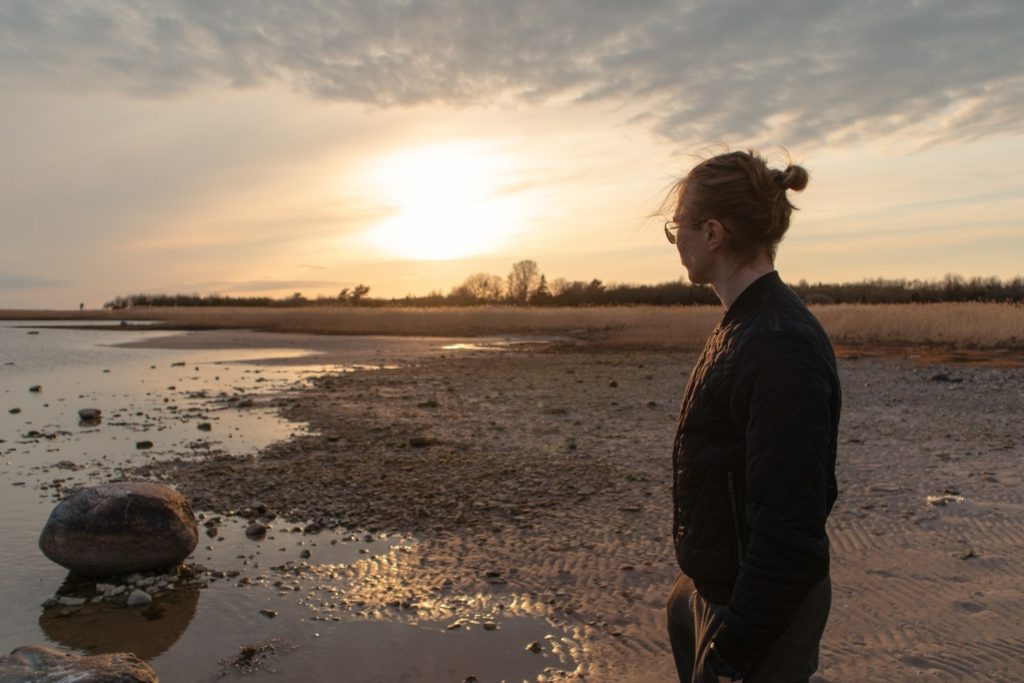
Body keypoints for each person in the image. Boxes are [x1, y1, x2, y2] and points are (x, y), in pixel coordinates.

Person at [663, 150, 841, 682]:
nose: (677, 243)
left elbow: (791, 530)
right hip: (715, 593)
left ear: (713, 233)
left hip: (756, 616)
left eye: (679, 229)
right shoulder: (744, 325)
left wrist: (734, 650)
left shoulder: (778, 344)